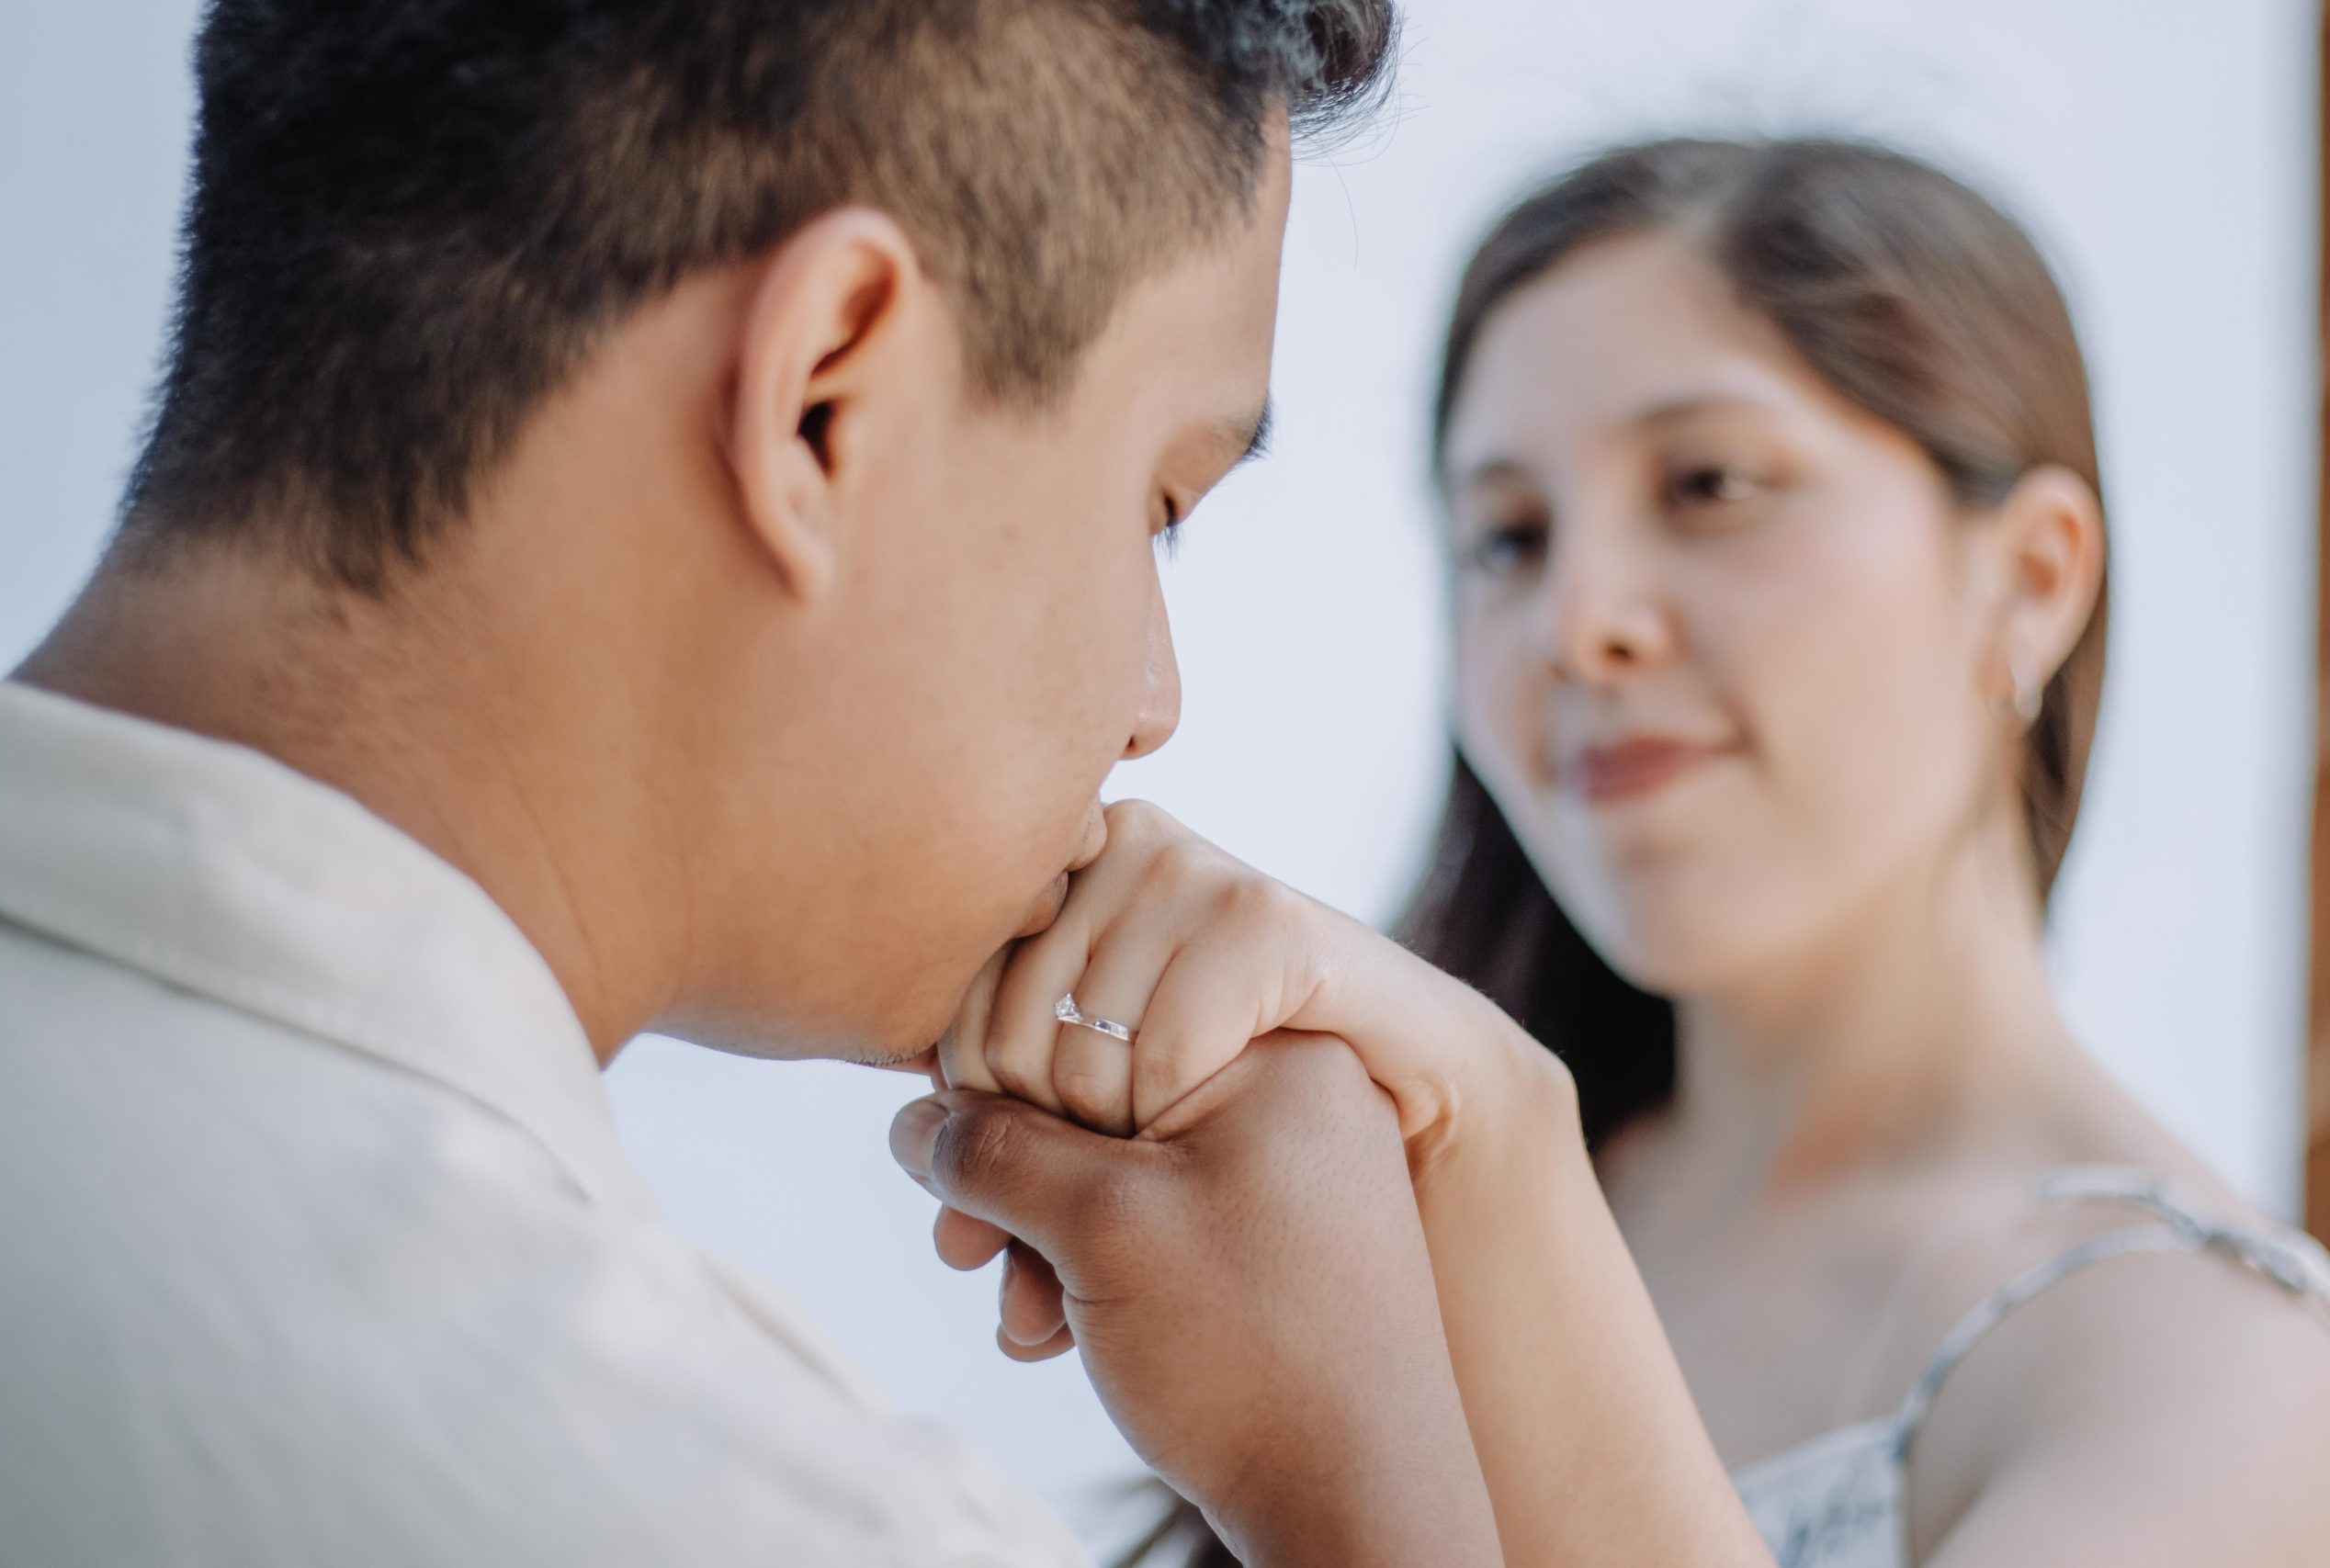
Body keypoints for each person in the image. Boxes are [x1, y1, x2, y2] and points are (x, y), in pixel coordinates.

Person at [0, 5, 1529, 1565]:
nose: (1154, 708)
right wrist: (1358, 1489)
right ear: (820, 401)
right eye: (1159, 504)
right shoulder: (716, 1514)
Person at [916, 138, 2330, 1568]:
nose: (1577, 621)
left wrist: (1506, 1154)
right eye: (1509, 538)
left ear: (2028, 581)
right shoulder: (1344, 1185)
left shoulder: (2229, 1381)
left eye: (1711, 485)